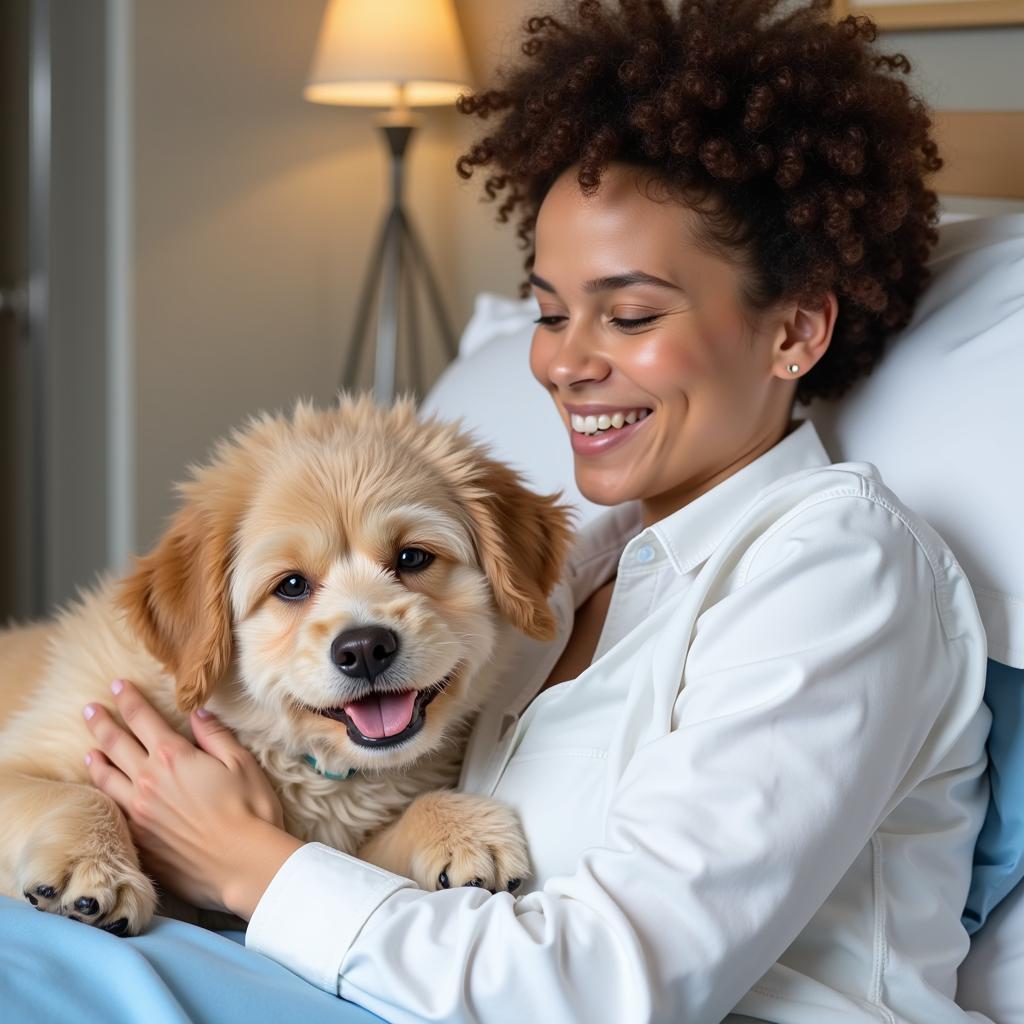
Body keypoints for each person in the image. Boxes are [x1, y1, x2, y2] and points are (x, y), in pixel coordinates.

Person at [72, 1, 991, 1021]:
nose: (563, 360)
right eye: (551, 311)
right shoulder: (567, 569)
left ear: (796, 330)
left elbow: (606, 987)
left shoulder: (837, 571)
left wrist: (249, 863)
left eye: (630, 314)